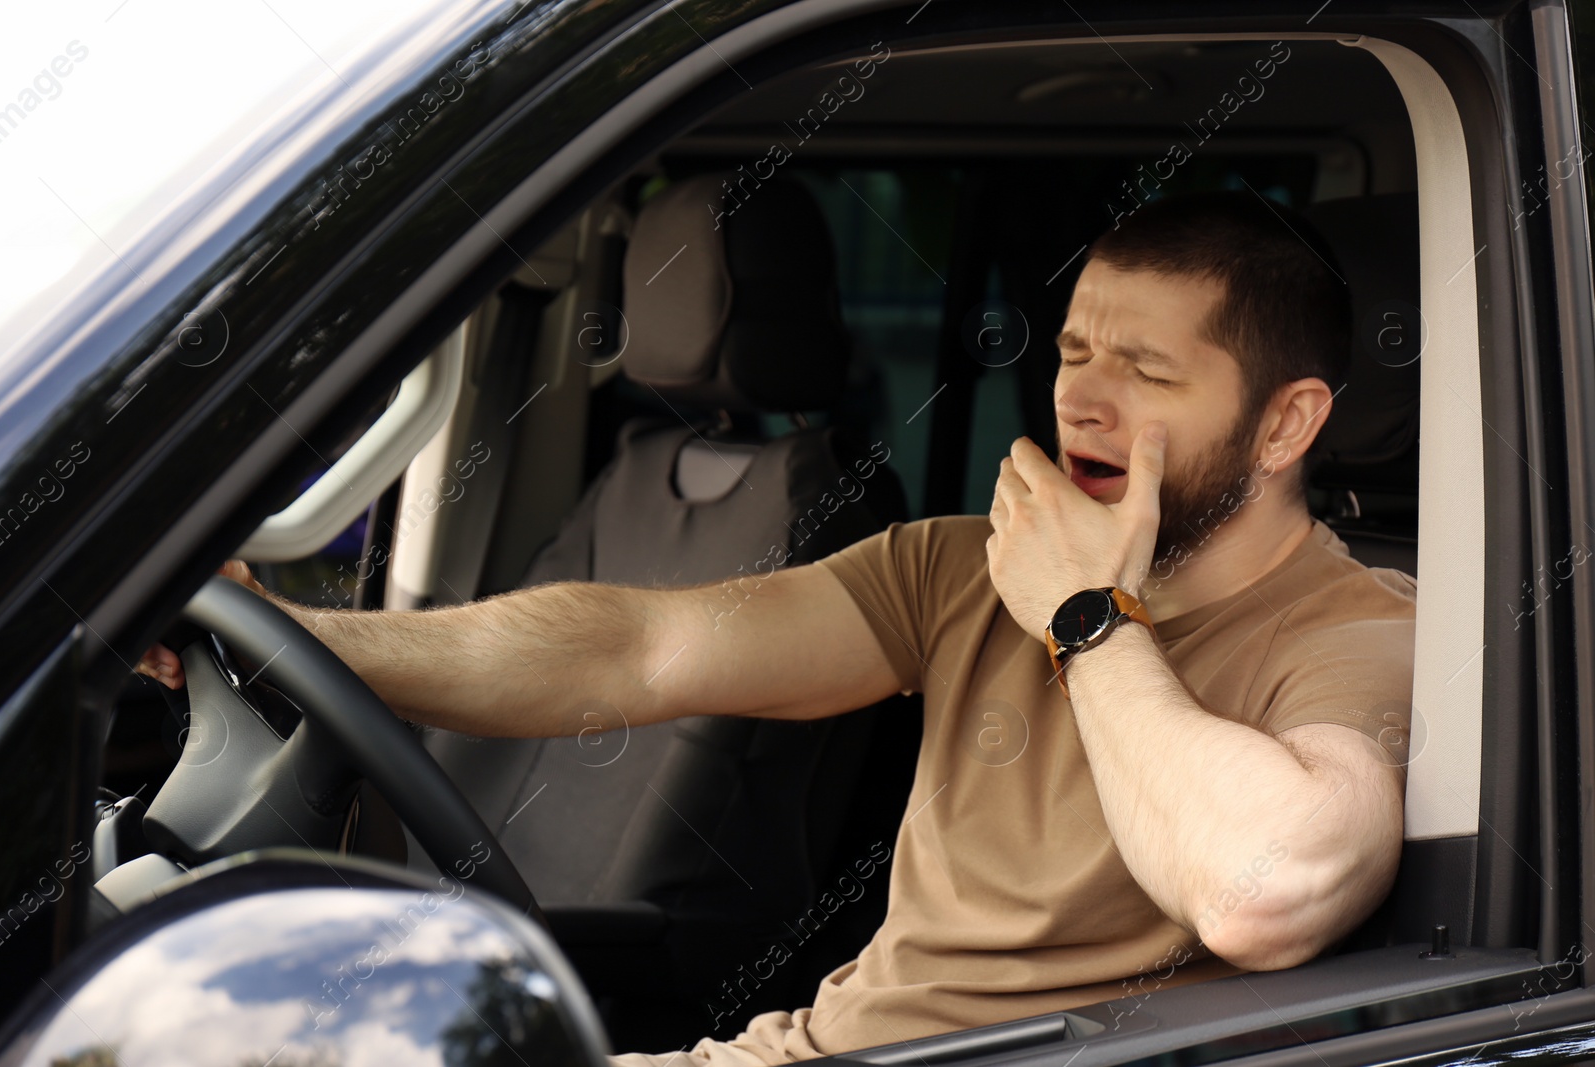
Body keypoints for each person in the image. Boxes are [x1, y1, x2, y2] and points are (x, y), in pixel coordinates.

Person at [137, 190, 1417, 1067]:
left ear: (1286, 423)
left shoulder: (1363, 630)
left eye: (1143, 371)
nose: (1080, 398)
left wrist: (1088, 617)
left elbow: (1265, 888)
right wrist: (294, 639)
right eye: (1074, 349)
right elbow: (632, 650)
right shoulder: (967, 566)